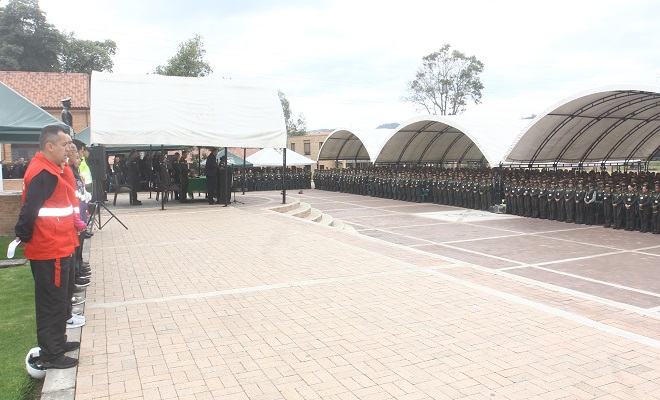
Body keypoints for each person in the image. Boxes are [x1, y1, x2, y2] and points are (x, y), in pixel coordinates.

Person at [14, 125, 83, 369]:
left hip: (58, 246)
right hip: (49, 249)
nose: (68, 149)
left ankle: (57, 343)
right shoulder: (43, 172)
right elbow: (29, 211)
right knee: (51, 302)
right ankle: (52, 354)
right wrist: (23, 235)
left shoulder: (52, 169)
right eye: (64, 144)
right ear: (49, 146)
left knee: (59, 299)